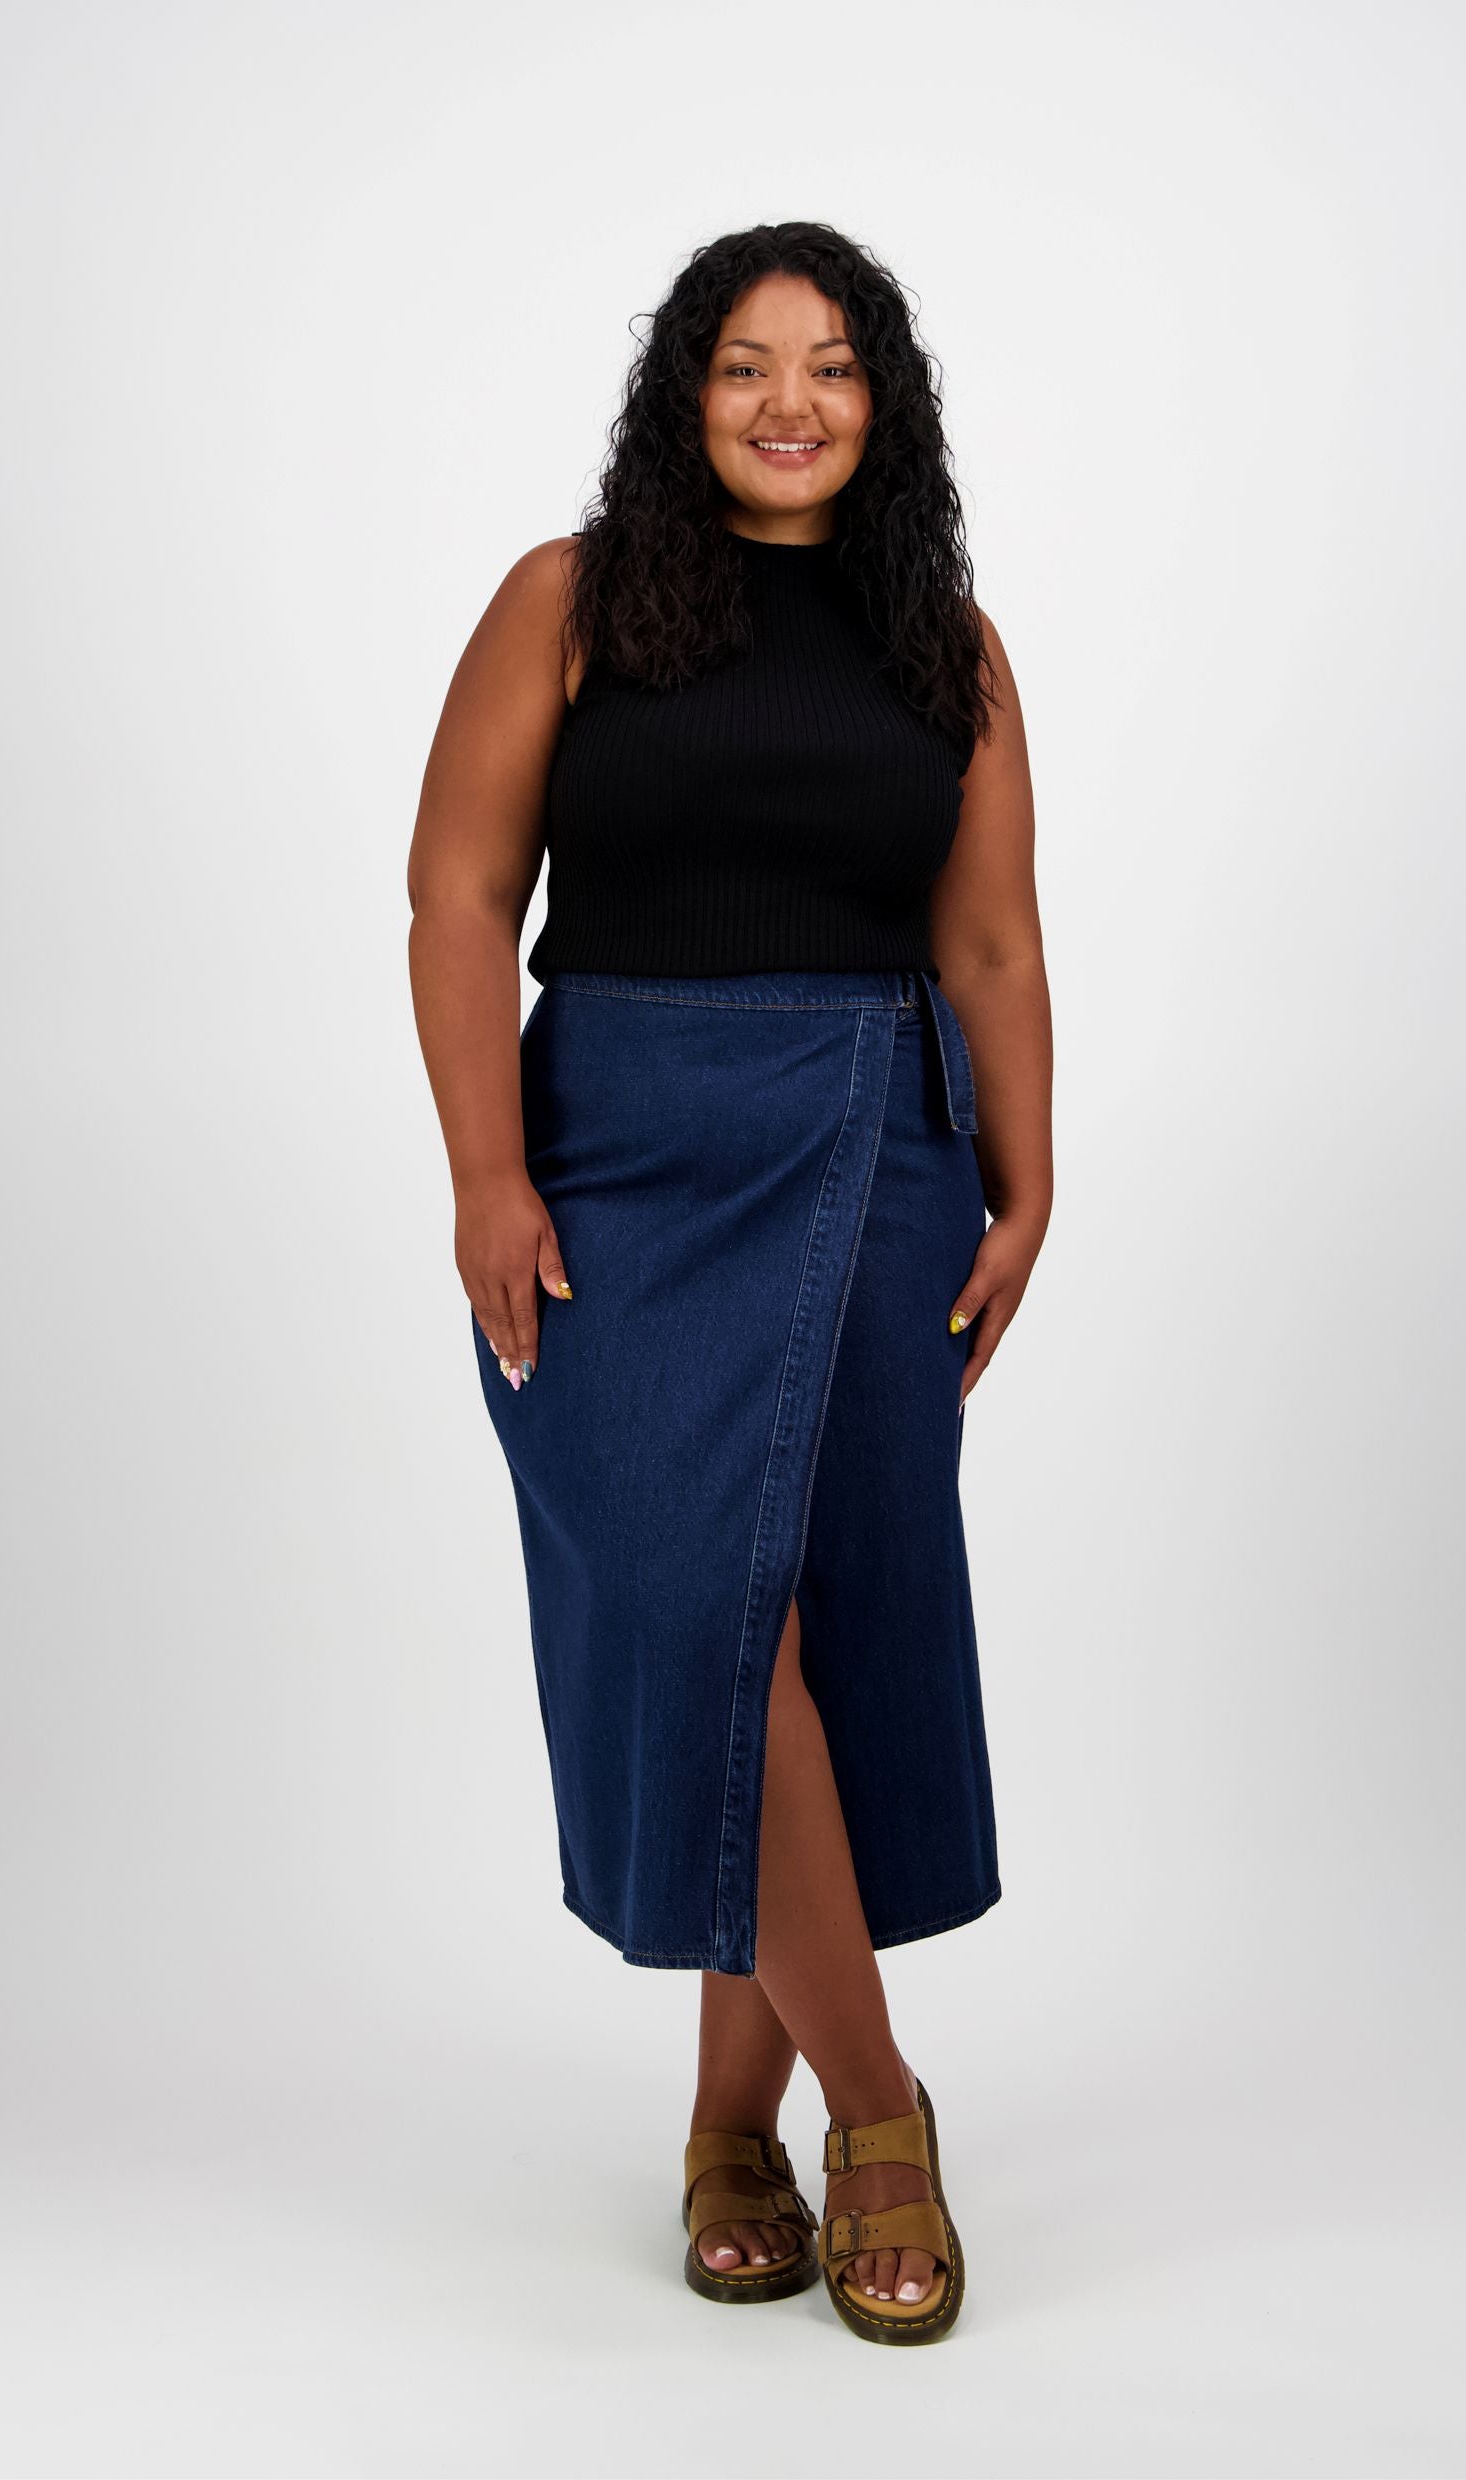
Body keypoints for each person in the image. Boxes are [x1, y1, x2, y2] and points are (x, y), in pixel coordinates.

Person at [407, 221, 1053, 2345]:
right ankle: (879, 2108)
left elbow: (990, 939)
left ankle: (721, 2130)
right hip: (613, 1159)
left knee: (800, 1623)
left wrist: (1031, 1179)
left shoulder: (944, 640)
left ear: (886, 405)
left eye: (835, 365)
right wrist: (485, 1169)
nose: (792, 401)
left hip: (874, 1149)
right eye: (747, 363)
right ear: (684, 393)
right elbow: (458, 892)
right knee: (697, 1607)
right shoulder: (570, 598)